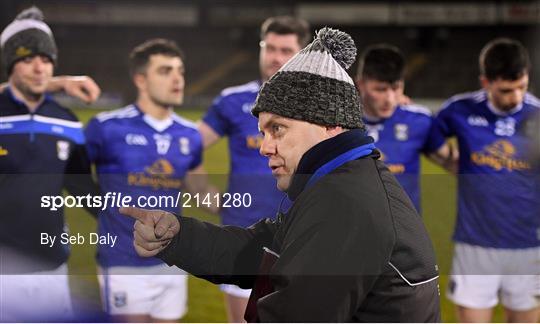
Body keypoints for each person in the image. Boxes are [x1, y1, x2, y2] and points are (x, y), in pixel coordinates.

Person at [121, 28, 441, 322]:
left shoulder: (346, 204)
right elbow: (262, 252)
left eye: (277, 129)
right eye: (263, 132)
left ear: (329, 123)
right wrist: (179, 236)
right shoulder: (338, 183)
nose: (265, 147)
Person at [85, 38, 218, 322]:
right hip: (123, 263)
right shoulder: (107, 128)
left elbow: (199, 187)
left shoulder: (189, 134)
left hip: (171, 261)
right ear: (140, 80)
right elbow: (71, 173)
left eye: (180, 71)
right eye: (165, 71)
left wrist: (238, 206)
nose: (177, 78)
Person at [197, 15, 310, 322]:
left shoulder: (318, 104)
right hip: (244, 236)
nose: (275, 57)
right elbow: (187, 146)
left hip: (303, 236)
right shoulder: (233, 101)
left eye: (285, 50)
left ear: (302, 53)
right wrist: (203, 194)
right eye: (269, 48)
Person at [428, 38, 540, 322]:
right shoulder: (459, 110)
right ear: (485, 82)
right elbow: (428, 136)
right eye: (505, 90)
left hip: (529, 245)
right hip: (475, 244)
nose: (515, 97)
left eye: (521, 87)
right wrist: (450, 161)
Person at [0, 6, 99, 321]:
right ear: (10, 64)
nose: (39, 68)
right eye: (28, 59)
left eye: (46, 60)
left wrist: (127, 216)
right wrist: (62, 82)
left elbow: (82, 187)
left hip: (52, 265)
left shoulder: (68, 121)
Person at [355, 44, 449, 212]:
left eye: (396, 88)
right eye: (380, 89)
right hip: (357, 227)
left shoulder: (419, 120)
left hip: (404, 230)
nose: (390, 99)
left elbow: (451, 160)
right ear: (361, 84)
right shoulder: (339, 122)